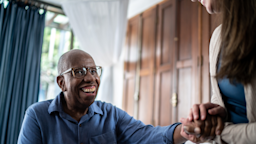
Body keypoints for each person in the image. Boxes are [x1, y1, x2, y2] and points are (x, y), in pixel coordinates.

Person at [18, 49, 222, 144]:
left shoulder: (111, 114)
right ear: (61, 83)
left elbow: (148, 136)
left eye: (94, 70)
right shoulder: (37, 115)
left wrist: (185, 130)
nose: (90, 78)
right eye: (79, 72)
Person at [183, 0, 256, 143]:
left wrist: (219, 133)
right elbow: (219, 97)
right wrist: (210, 116)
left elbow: (221, 132)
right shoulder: (217, 36)